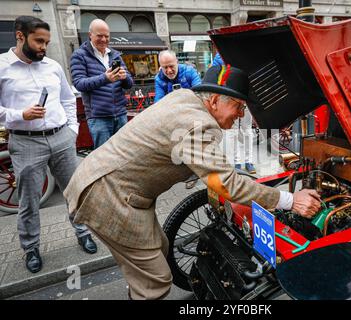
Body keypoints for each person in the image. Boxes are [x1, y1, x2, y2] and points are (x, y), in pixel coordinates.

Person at [63, 65, 322, 300]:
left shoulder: (184, 98)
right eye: (239, 107)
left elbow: (191, 157)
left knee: (160, 248)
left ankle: (137, 284)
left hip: (106, 181)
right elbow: (226, 184)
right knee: (155, 281)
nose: (241, 115)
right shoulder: (199, 125)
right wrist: (291, 200)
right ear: (214, 101)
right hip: (108, 196)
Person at [0, 16, 97, 273]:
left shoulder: (53, 66)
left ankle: (83, 232)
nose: (44, 46)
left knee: (74, 191)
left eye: (47, 42)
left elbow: (68, 99)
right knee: (29, 200)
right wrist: (20, 115)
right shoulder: (1, 67)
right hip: (25, 142)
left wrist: (72, 131)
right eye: (39, 41)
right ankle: (31, 248)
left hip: (61, 137)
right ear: (20, 36)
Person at [70, 19, 133, 149]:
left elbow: (129, 84)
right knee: (104, 158)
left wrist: (124, 77)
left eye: (106, 36)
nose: (104, 39)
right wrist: (105, 78)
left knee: (124, 153)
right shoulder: (79, 55)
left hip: (120, 114)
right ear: (90, 35)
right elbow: (79, 83)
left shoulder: (115, 55)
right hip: (98, 117)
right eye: (100, 36)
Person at [213, 53, 257, 173]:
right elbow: (217, 78)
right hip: (230, 99)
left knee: (247, 130)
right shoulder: (219, 57)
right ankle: (237, 161)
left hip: (246, 97)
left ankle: (249, 161)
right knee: (233, 132)